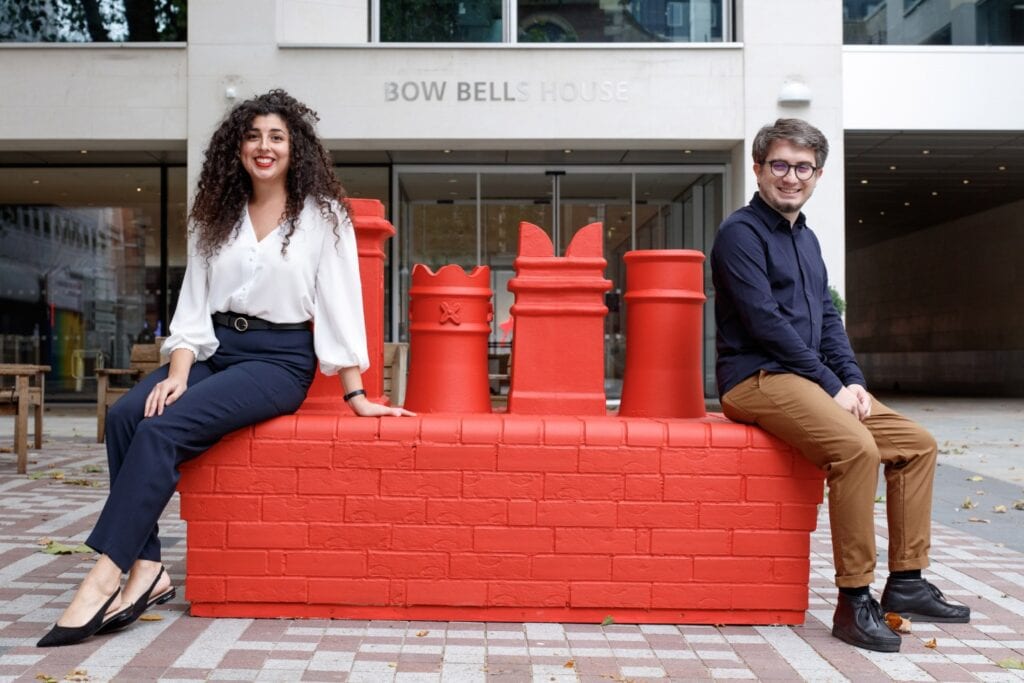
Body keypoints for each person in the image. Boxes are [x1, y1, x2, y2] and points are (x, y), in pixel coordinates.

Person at [37, 90, 413, 648]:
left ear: (296, 147)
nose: (264, 146)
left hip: (278, 360)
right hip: (214, 350)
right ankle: (149, 568)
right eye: (254, 135)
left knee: (162, 430)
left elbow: (340, 304)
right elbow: (194, 304)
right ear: (237, 147)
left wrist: (354, 394)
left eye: (277, 137)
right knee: (125, 415)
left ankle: (106, 574)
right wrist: (178, 372)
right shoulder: (216, 213)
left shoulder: (322, 216)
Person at [710, 118, 969, 653]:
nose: (791, 176)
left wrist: (851, 379)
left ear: (818, 174)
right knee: (856, 448)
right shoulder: (740, 233)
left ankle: (908, 581)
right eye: (779, 164)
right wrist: (830, 384)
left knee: (916, 445)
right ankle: (854, 601)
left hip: (807, 377)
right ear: (758, 169)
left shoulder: (806, 238)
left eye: (803, 167)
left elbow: (827, 318)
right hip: (756, 378)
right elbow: (764, 322)